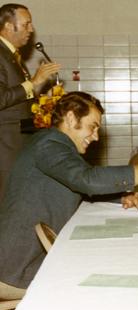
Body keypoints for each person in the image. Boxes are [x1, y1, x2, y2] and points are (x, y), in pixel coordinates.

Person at [0, 92, 138, 300]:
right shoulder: (49, 144)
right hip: (17, 267)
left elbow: (80, 185)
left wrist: (122, 197)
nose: (96, 136)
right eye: (93, 126)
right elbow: (86, 179)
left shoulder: (56, 146)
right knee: (108, 276)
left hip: (27, 259)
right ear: (71, 118)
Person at [0, 3, 61, 200]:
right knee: (7, 200)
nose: (31, 30)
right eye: (26, 24)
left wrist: (46, 100)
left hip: (17, 141)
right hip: (5, 144)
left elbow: (20, 102)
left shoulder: (12, 56)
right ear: (9, 26)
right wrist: (33, 83)